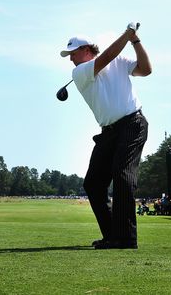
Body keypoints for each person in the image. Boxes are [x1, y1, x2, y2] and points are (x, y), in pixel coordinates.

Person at [60, 23, 152, 250]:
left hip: (132, 124)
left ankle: (125, 238)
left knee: (122, 175)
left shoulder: (118, 62)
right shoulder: (79, 72)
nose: (70, 59)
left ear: (87, 50)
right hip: (109, 132)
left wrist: (135, 41)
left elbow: (146, 69)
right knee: (93, 184)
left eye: (73, 53)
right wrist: (126, 36)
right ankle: (112, 234)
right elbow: (107, 56)